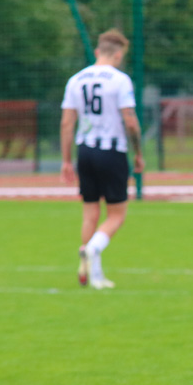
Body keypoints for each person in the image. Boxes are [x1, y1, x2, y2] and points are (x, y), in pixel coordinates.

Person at [60, 29, 144, 289]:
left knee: (90, 214)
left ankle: (91, 274)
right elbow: (129, 121)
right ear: (118, 54)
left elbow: (66, 122)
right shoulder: (120, 80)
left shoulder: (76, 80)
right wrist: (139, 152)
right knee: (116, 214)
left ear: (97, 51)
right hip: (112, 151)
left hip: (84, 151)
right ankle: (93, 249)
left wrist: (66, 160)